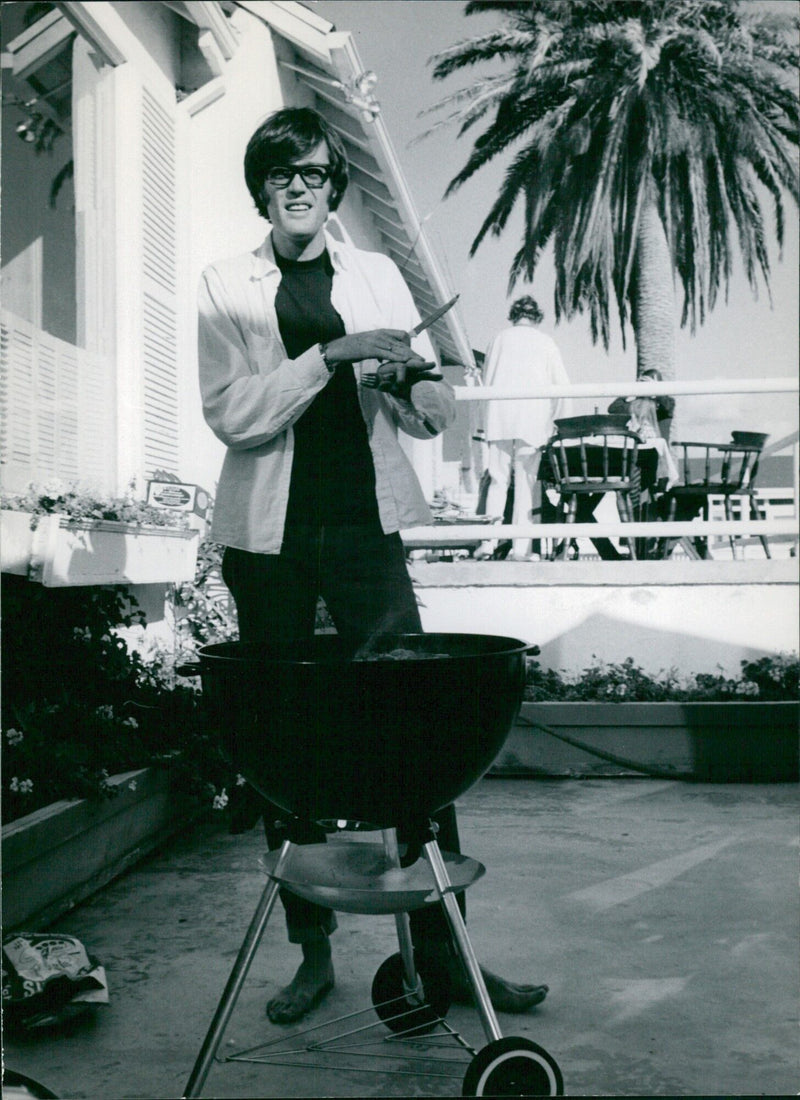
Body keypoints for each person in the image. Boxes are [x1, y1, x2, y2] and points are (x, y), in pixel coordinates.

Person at [198, 107, 548, 1026]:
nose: (300, 186)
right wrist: (330, 355)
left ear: (334, 185)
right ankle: (311, 957)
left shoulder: (381, 275)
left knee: (416, 739)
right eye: (282, 174)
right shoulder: (222, 284)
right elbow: (232, 415)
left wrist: (408, 385)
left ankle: (447, 957)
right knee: (287, 753)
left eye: (314, 172)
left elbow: (435, 406)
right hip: (266, 545)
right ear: (262, 188)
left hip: (366, 535)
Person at [474, 296, 570, 560]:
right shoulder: (546, 342)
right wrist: (559, 422)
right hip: (533, 418)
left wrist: (485, 420)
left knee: (497, 480)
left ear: (513, 315)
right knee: (527, 484)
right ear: (537, 317)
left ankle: (488, 542)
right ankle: (522, 548)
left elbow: (487, 378)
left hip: (499, 416)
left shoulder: (498, 339)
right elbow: (562, 386)